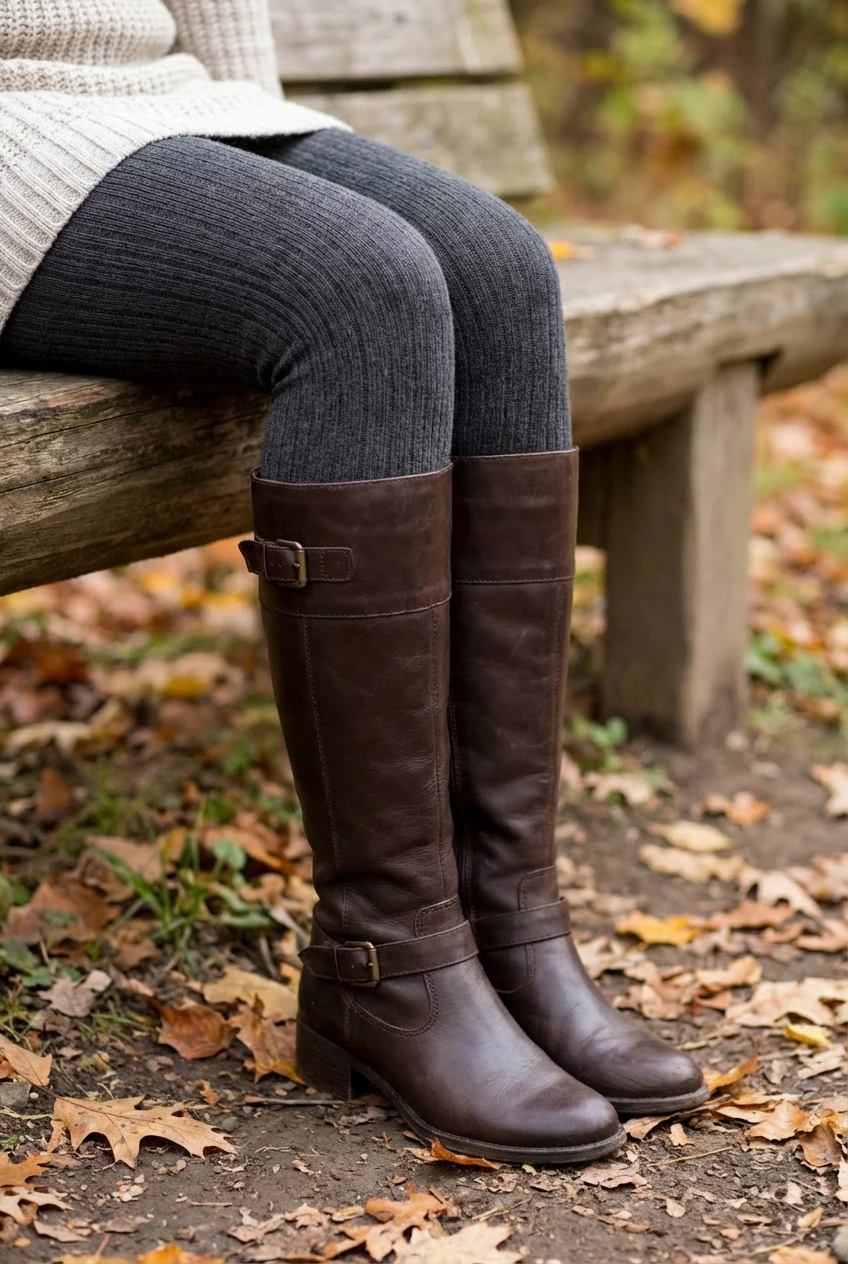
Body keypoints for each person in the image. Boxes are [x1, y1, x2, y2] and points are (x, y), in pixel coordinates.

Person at [0, 0, 707, 1164]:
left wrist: (248, 115)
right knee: (360, 288)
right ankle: (388, 960)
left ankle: (505, 920)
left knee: (499, 268)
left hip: (158, 106)